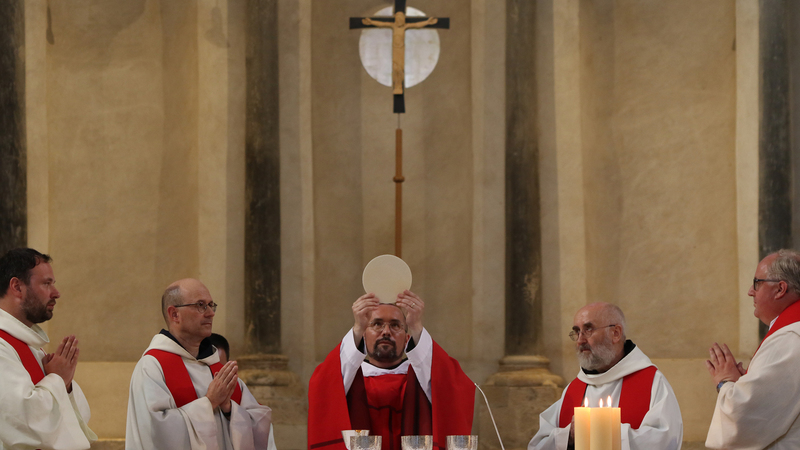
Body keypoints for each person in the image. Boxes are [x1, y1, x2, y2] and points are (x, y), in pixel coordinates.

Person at [308, 290, 475, 450]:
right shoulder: (349, 379)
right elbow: (322, 387)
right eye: (377, 324)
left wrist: (416, 326)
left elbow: (456, 389)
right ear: (364, 337)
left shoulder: (422, 378)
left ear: (407, 338)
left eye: (395, 325)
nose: (386, 332)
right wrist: (358, 327)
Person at [125, 278, 272, 450]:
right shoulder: (153, 366)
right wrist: (208, 403)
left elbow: (259, 423)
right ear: (174, 314)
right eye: (201, 305)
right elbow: (153, 432)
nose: (210, 313)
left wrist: (230, 409)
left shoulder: (217, 366)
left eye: (211, 305)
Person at [529, 302, 683, 450]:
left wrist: (600, 431)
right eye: (577, 332)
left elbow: (665, 441)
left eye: (588, 330)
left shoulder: (651, 382)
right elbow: (538, 444)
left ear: (615, 333)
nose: (580, 340)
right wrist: (569, 436)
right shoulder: (574, 388)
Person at [0, 247, 96, 450]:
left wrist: (66, 385)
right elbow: (23, 423)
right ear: (17, 286)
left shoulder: (33, 348)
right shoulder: (2, 346)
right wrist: (57, 380)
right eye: (46, 283)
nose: (56, 293)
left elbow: (78, 418)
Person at [705, 249, 800, 449]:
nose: (750, 291)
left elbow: (743, 419)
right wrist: (747, 382)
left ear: (780, 289)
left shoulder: (789, 340)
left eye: (757, 283)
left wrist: (725, 383)